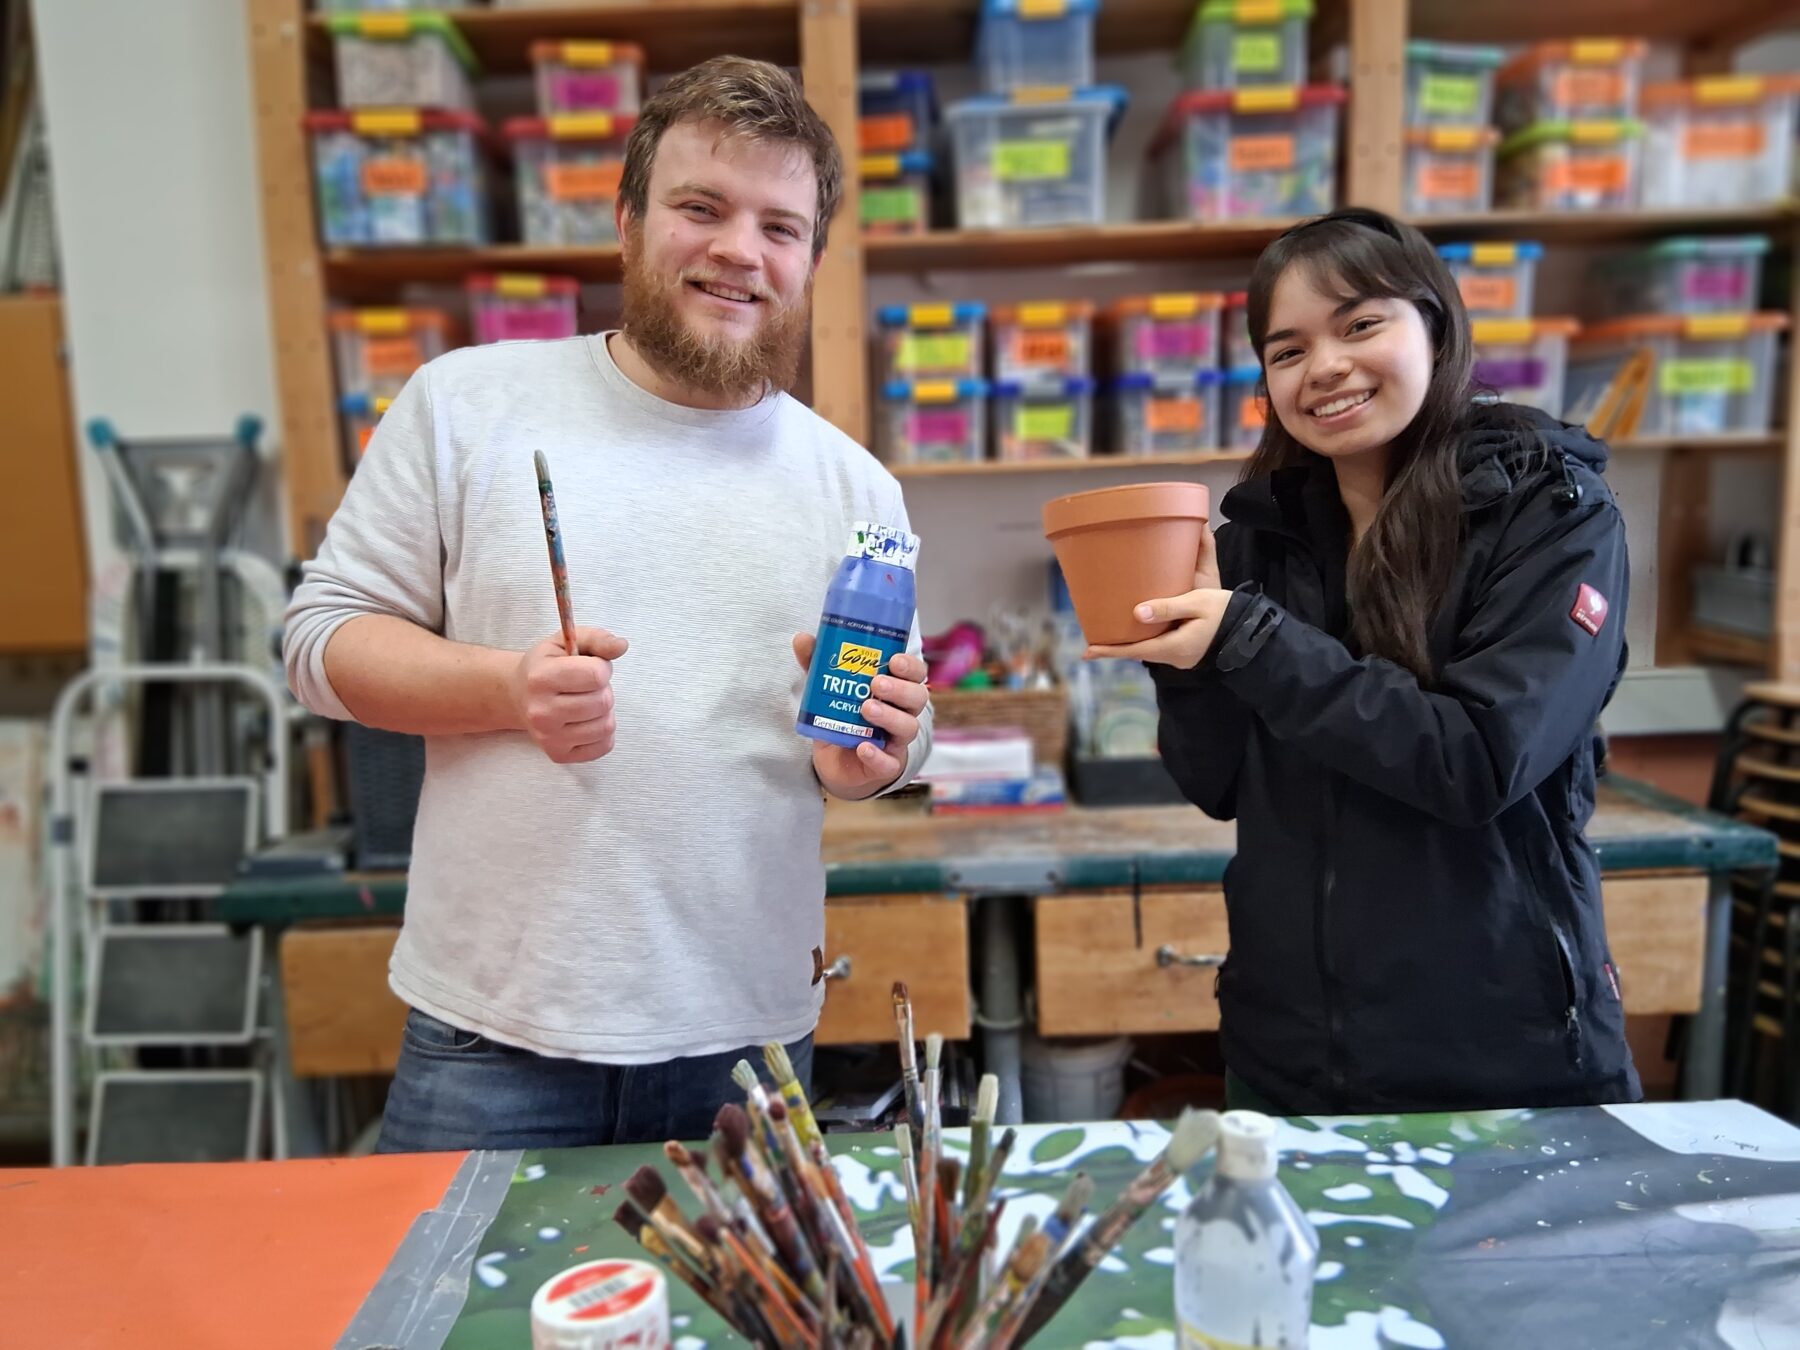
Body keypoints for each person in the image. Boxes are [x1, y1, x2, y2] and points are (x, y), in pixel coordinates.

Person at [283, 57, 933, 1151]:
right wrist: (504, 688)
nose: (739, 250)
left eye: (780, 227)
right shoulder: (469, 405)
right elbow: (317, 644)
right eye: (700, 208)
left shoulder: (855, 486)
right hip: (495, 1033)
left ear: (812, 260)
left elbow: (890, 732)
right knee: (448, 1326)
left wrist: (881, 759)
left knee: (739, 1330)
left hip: (749, 1045)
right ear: (628, 222)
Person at [1087, 208, 1639, 1115]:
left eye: (1360, 324)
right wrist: (1183, 661)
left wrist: (1250, 641)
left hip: (1503, 1063)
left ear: (1435, 324)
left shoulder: (1552, 513)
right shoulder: (1261, 539)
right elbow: (1217, 782)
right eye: (1288, 349)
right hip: (1289, 1061)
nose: (1326, 368)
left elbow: (1478, 760)